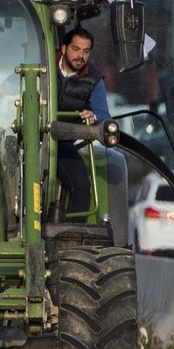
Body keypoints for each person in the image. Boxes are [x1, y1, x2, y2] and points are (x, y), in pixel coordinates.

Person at [56, 27, 109, 215]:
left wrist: (94, 118)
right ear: (63, 49)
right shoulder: (42, 65)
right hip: (31, 140)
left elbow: (103, 117)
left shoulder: (94, 80)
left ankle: (71, 233)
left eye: (86, 51)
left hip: (61, 143)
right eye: (76, 49)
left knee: (81, 186)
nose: (81, 56)